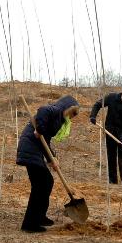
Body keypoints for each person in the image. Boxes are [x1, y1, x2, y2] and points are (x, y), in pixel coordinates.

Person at [16, 95, 80, 233]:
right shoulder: (54, 110)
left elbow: (45, 140)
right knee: (41, 184)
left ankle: (39, 217)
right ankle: (30, 224)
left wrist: (52, 159)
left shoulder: (58, 119)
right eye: (73, 113)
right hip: (30, 148)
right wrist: (38, 129)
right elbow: (42, 110)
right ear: (68, 107)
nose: (72, 117)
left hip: (35, 149)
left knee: (46, 182)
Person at [90, 82, 122, 185]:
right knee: (111, 156)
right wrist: (93, 116)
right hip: (110, 130)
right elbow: (98, 104)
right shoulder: (112, 98)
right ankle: (112, 180)